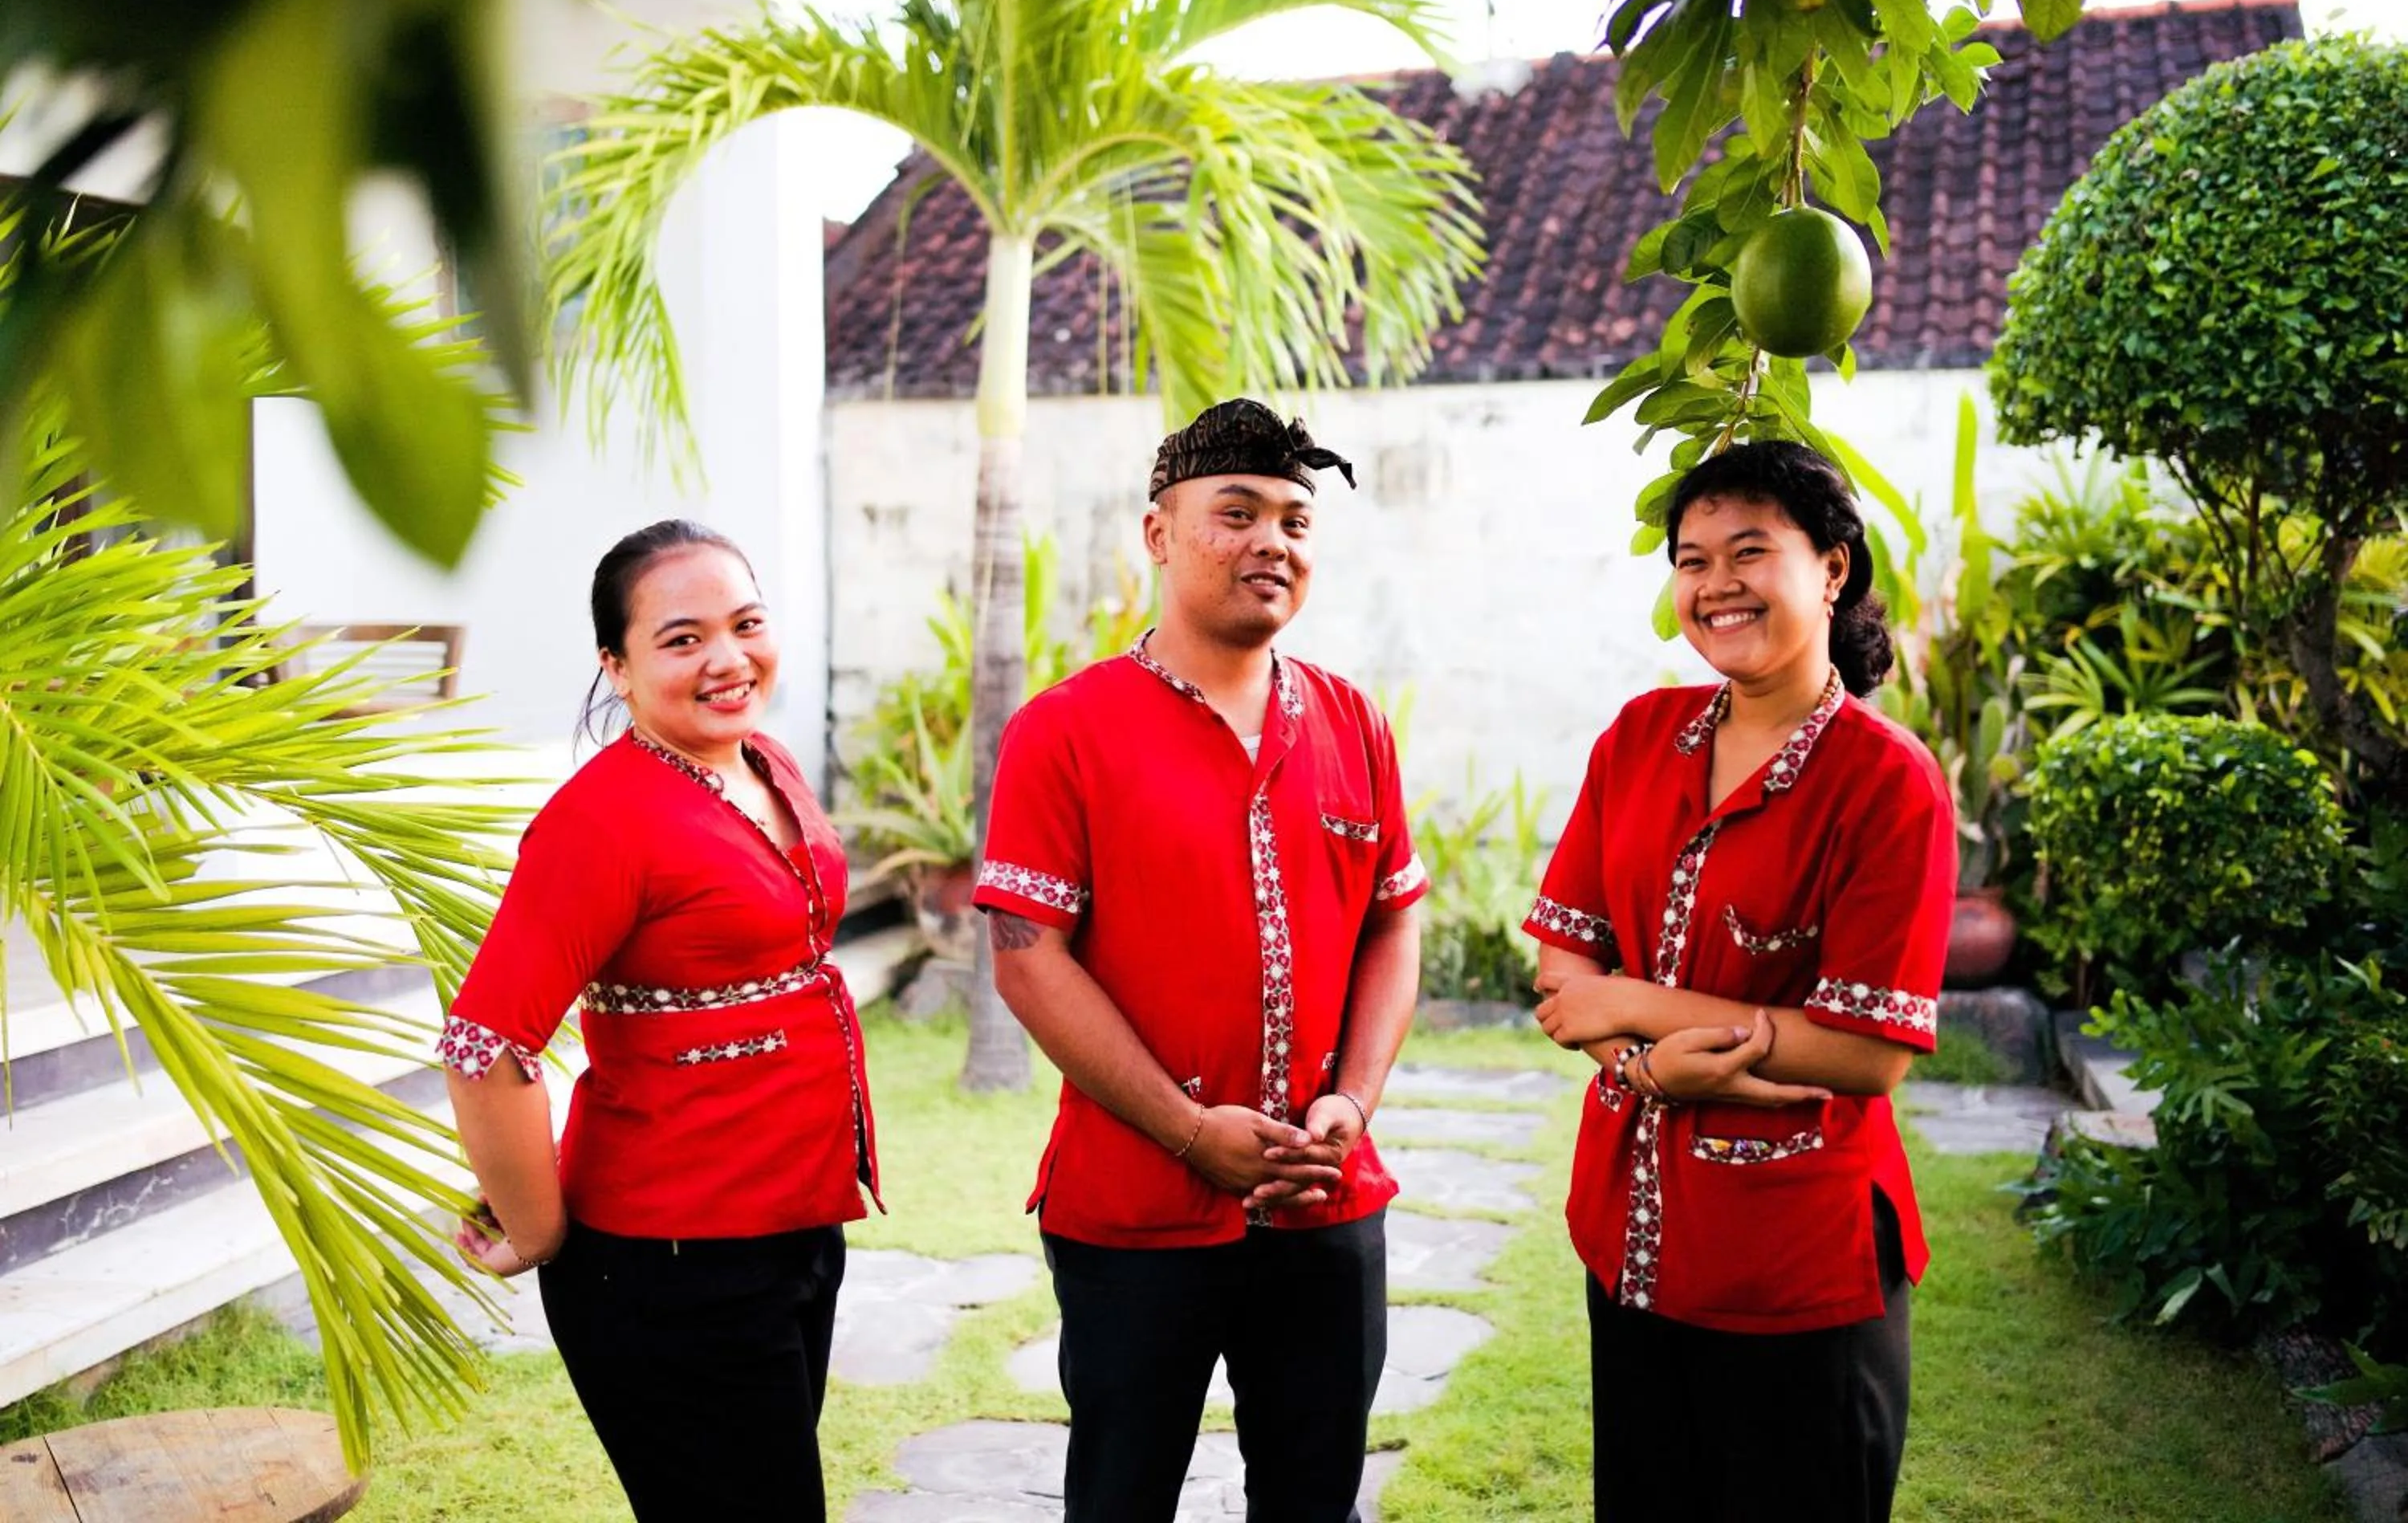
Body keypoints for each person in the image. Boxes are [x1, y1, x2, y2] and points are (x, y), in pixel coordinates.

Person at [976, 398, 1426, 1523]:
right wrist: (1187, 1130)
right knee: (1121, 1497)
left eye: (1294, 521)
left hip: (1324, 1197)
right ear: (1159, 533)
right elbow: (1029, 959)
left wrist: (1352, 1102)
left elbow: (1392, 921)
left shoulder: (1353, 722)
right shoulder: (1066, 729)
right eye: (1236, 513)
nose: (1271, 541)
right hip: (1136, 1211)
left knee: (1316, 1498)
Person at [1523, 440, 1954, 1523]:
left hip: (1799, 1268)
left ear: (1833, 567)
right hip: (1631, 1238)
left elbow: (1868, 1051)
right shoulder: (1638, 738)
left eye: (1750, 550)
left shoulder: (1886, 782)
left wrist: (1636, 1006)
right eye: (1692, 559)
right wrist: (1650, 1067)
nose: (1717, 583)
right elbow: (1565, 971)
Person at [438, 519, 878, 1523]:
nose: (728, 658)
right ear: (618, 665)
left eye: (746, 623)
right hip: (672, 1259)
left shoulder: (763, 761)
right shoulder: (601, 820)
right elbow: (483, 1045)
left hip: (794, 1222)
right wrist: (536, 1227)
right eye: (683, 638)